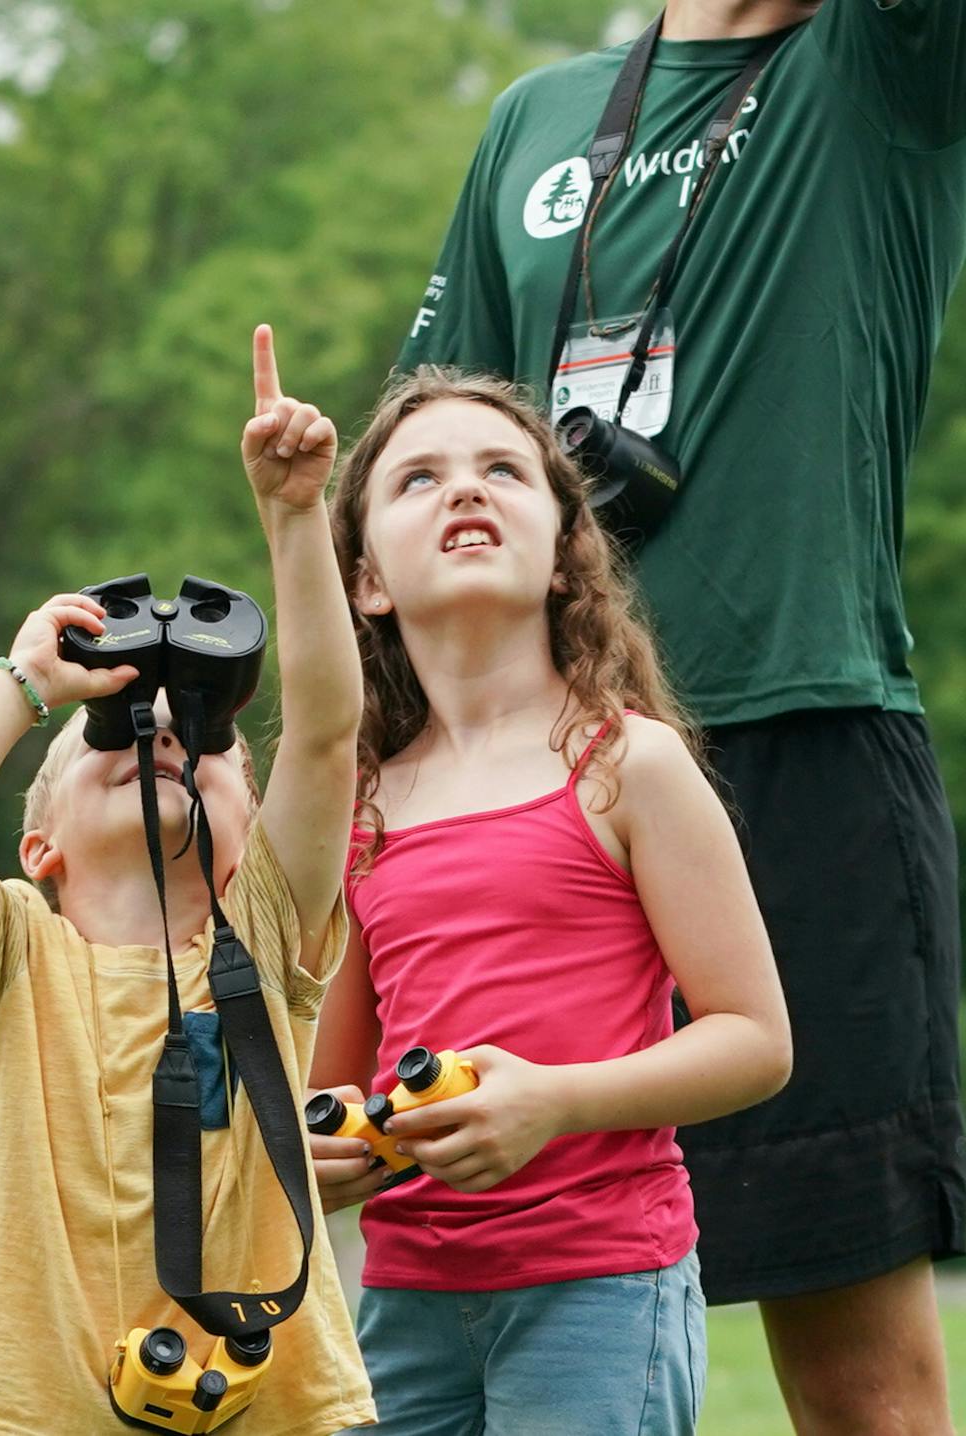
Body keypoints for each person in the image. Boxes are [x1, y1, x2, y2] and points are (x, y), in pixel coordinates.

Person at [397, 4, 964, 1426]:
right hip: (540, 778)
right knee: (503, 1305)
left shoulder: (879, 62)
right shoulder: (538, 118)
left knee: (849, 1343)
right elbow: (426, 435)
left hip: (795, 733)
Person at [0, 328, 375, 1436]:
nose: (158, 735)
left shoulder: (265, 927)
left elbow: (329, 734)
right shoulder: (12, 951)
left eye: (204, 741)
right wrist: (24, 682)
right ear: (37, 846)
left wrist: (295, 517)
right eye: (117, 736)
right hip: (46, 1410)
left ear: (249, 831)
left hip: (277, 1403)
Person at [306, 369, 792, 1434]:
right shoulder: (355, 804)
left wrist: (556, 1101)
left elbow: (756, 1038)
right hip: (403, 1298)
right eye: (418, 477)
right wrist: (327, 1154)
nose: (464, 490)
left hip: (603, 1286)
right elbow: (332, 1088)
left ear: (567, 557)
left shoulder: (631, 765)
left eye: (502, 471)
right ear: (366, 581)